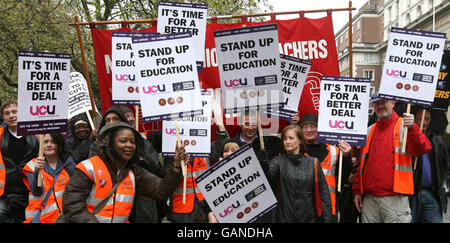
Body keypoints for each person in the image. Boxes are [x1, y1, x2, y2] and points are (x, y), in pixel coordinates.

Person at [61, 122, 187, 223]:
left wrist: (176, 166)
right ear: (109, 144)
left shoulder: (134, 172)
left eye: (132, 142)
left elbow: (161, 190)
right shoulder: (88, 168)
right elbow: (72, 205)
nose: (129, 145)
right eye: (123, 141)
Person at [352, 94, 432, 223]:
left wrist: (413, 128)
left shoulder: (405, 126)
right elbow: (362, 165)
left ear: (393, 103)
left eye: (384, 102)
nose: (380, 106)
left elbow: (423, 148)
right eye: (377, 103)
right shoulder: (369, 131)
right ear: (373, 106)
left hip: (395, 199)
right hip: (370, 199)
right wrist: (357, 191)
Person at [259, 124, 333, 223]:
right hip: (283, 219)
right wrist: (264, 163)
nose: (287, 142)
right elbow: (267, 175)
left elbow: (324, 194)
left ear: (300, 140)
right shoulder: (278, 161)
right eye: (284, 139)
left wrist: (328, 220)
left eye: (291, 138)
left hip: (308, 219)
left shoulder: (313, 163)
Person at [291, 112, 352, 220]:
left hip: (328, 210)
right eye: (305, 127)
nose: (309, 130)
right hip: (303, 211)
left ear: (320, 128)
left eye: (313, 126)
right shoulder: (295, 152)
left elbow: (343, 177)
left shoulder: (335, 151)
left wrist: (346, 157)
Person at [0, 99, 39, 223]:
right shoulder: (0, 135)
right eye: (7, 113)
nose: (11, 116)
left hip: (32, 193)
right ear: (3, 117)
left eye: (14, 112)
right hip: (5, 194)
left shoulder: (38, 135)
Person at [22, 133, 76, 223]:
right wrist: (37, 172)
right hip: (42, 218)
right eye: (45, 142)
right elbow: (36, 191)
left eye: (53, 142)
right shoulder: (32, 166)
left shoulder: (68, 164)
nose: (49, 145)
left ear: (59, 144)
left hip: (65, 218)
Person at [409, 106, 450, 223]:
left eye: (427, 119)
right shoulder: (406, 139)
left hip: (432, 193)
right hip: (412, 194)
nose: (424, 122)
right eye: (420, 119)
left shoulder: (436, 141)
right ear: (413, 119)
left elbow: (445, 165)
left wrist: (443, 186)